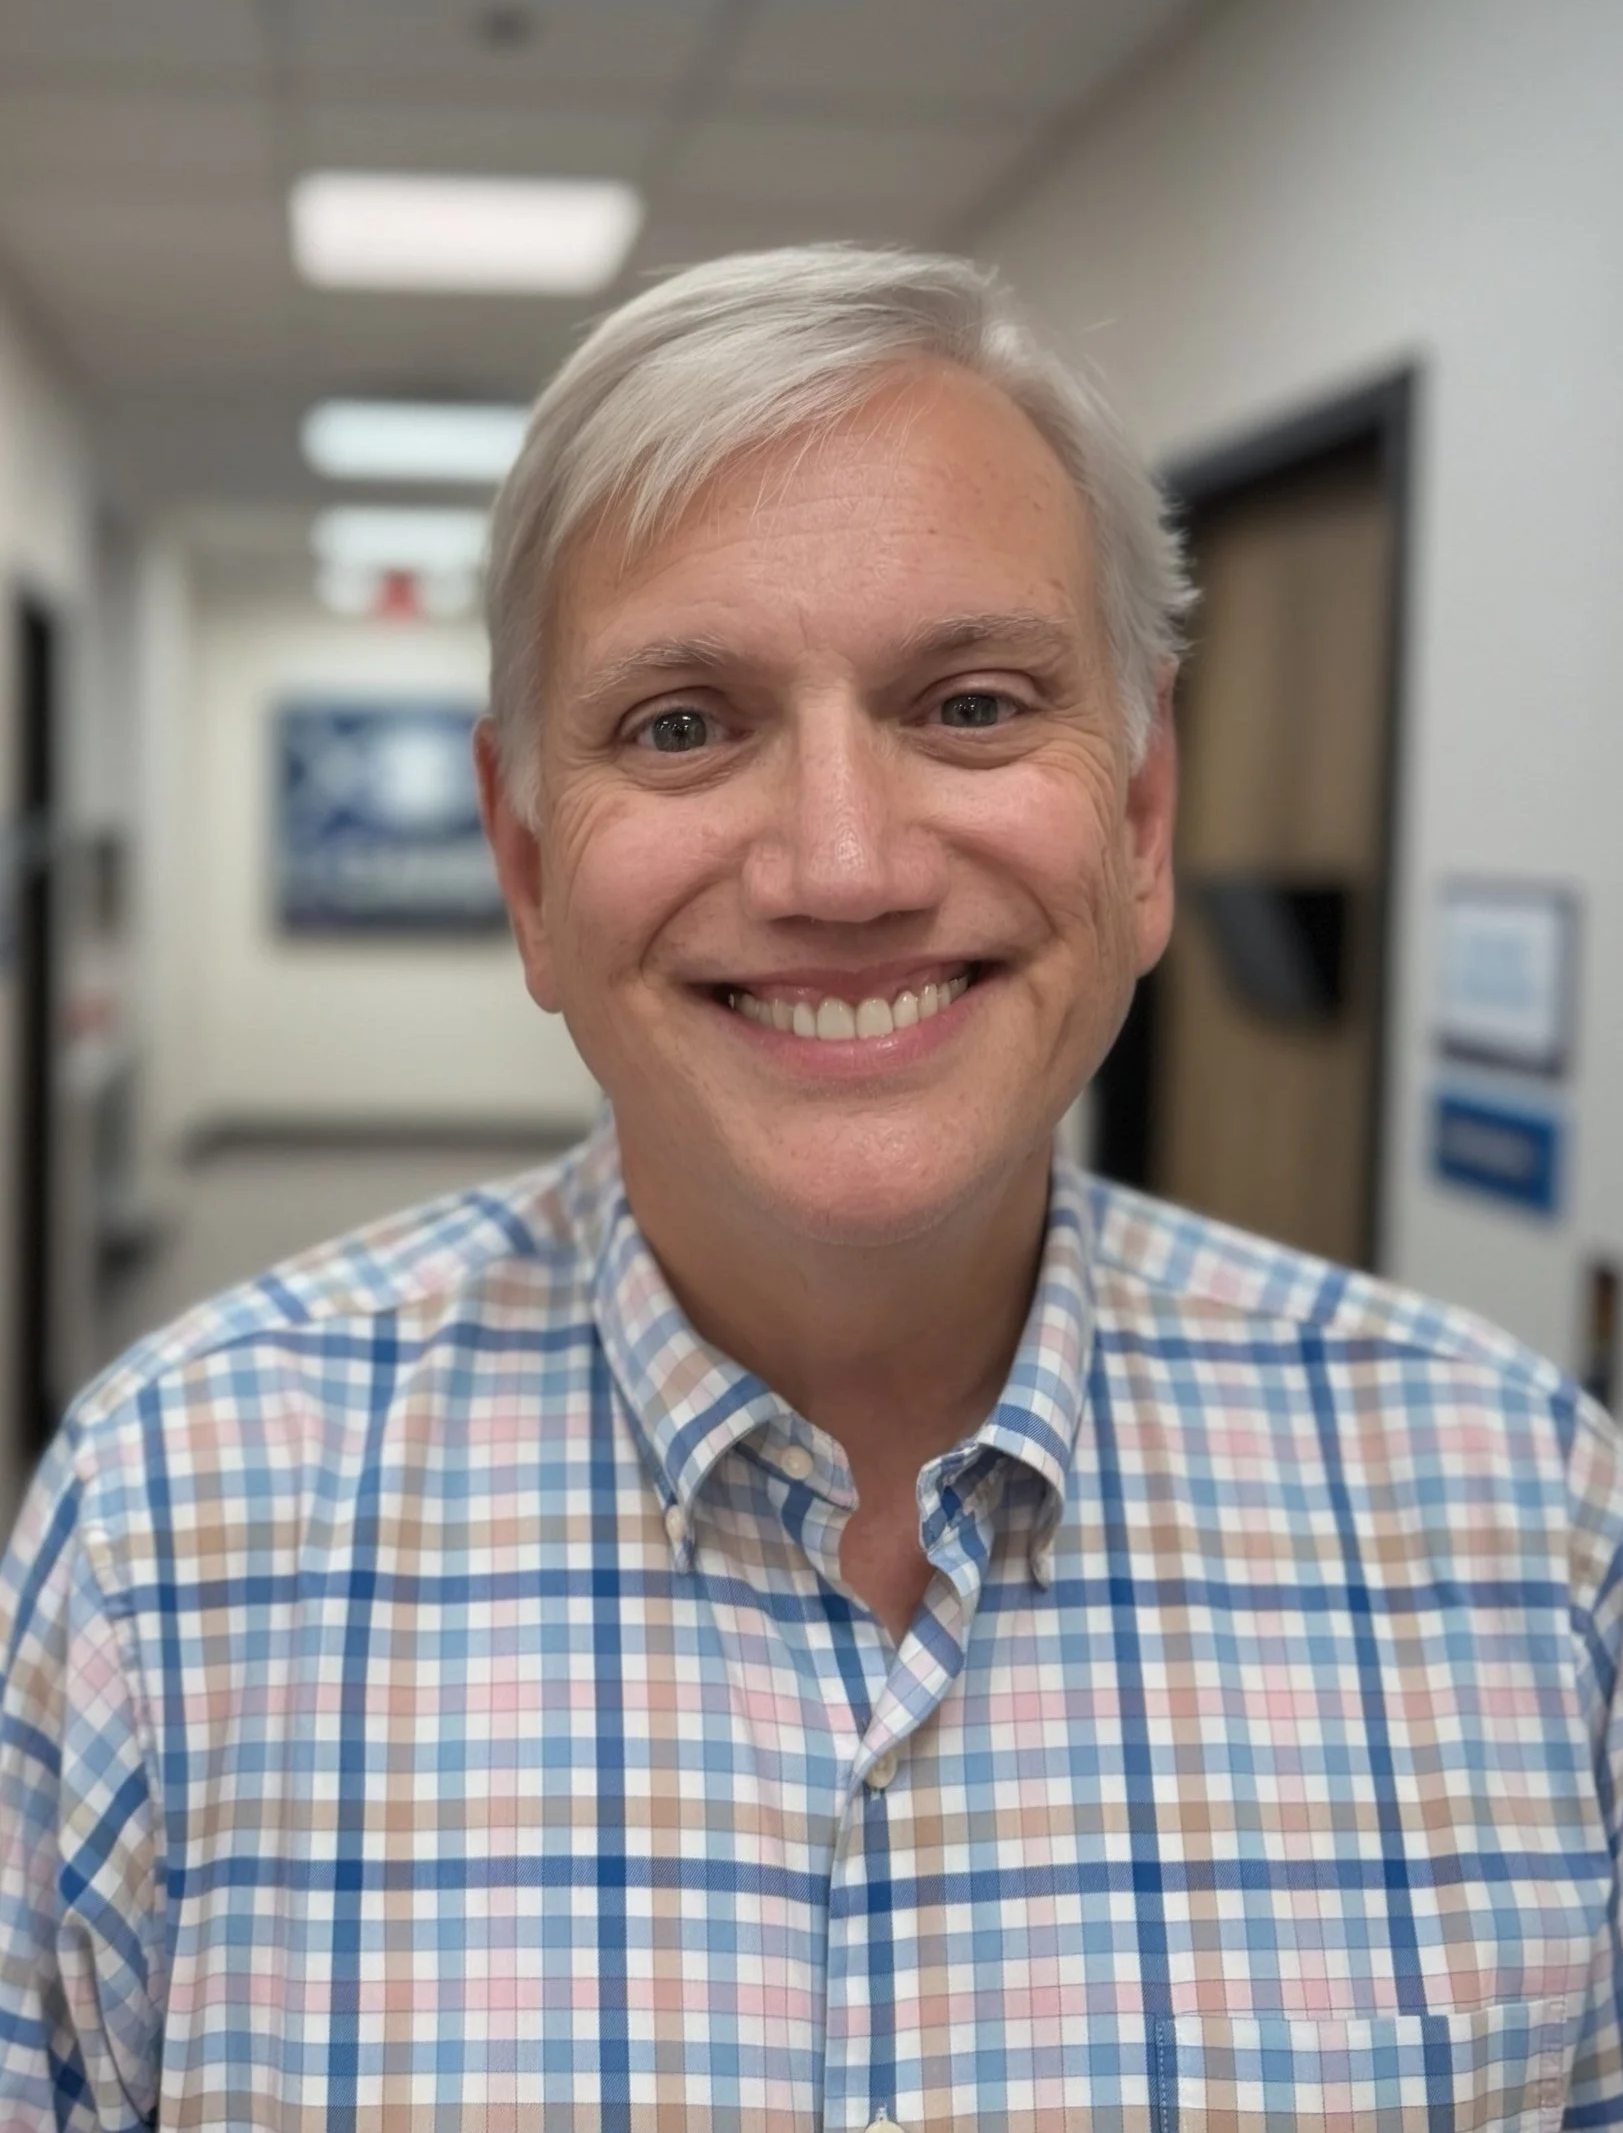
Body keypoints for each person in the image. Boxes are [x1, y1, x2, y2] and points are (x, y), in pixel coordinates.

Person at [0, 245, 1615, 2133]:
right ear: (527, 863)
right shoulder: (164, 1548)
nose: (842, 865)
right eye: (682, 724)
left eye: (975, 705)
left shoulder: (1536, 1547)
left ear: (1145, 818)